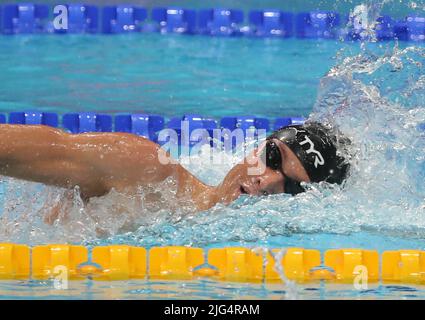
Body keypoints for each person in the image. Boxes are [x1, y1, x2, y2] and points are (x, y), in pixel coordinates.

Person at [0, 121, 350, 218]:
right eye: (273, 157)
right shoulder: (144, 168)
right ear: (257, 145)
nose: (267, 180)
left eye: (292, 187)